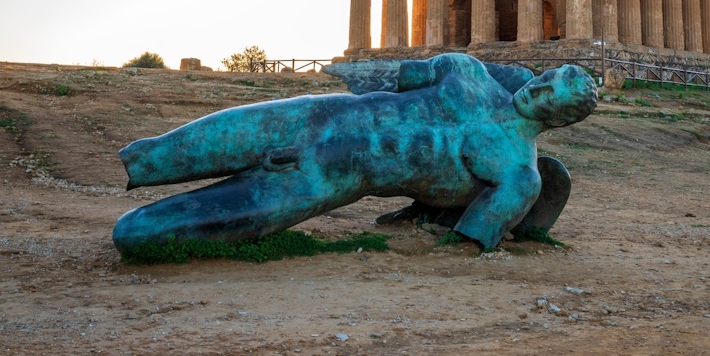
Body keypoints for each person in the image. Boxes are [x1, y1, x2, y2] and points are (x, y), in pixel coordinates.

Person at [113, 53, 597, 251]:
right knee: (152, 155)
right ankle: (144, 163)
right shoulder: (468, 71)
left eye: (550, 96)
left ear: (559, 119)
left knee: (135, 233)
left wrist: (428, 227)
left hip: (333, 176)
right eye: (545, 78)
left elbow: (466, 240)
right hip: (321, 114)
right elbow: (391, 74)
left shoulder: (519, 175)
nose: (537, 88)